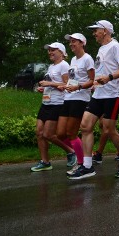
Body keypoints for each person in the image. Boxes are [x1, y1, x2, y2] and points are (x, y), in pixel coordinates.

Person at [68, 20, 119, 179]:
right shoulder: (101, 49)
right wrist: (95, 82)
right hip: (99, 94)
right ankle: (88, 166)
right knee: (85, 126)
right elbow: (102, 70)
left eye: (96, 30)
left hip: (113, 94)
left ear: (105, 31)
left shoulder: (115, 46)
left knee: (109, 130)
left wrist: (109, 78)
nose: (94, 33)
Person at [30, 42, 71, 172]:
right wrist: (44, 88)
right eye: (49, 50)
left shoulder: (64, 65)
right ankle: (45, 162)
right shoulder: (51, 66)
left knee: (48, 134)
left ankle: (71, 152)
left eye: (53, 50)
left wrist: (49, 83)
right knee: (39, 133)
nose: (50, 52)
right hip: (46, 102)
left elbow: (67, 84)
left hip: (57, 103)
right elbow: (53, 84)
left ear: (61, 52)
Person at [59, 33, 95, 174]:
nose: (71, 44)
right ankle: (84, 152)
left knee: (71, 133)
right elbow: (73, 79)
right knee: (60, 133)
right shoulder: (73, 59)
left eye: (74, 41)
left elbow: (93, 80)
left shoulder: (87, 59)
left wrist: (78, 87)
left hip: (80, 98)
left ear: (82, 43)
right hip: (68, 97)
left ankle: (82, 163)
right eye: (70, 42)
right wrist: (65, 85)